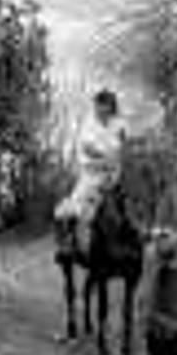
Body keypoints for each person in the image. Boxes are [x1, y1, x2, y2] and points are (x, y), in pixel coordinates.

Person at [54, 89, 127, 251]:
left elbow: (122, 149)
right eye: (98, 106)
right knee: (72, 209)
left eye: (105, 106)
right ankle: (69, 244)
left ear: (111, 106)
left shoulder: (119, 124)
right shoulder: (89, 123)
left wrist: (116, 167)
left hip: (114, 172)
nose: (101, 109)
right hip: (92, 173)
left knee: (125, 205)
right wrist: (105, 158)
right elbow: (88, 148)